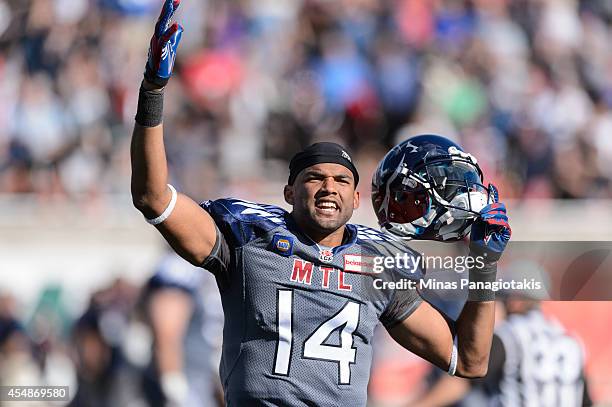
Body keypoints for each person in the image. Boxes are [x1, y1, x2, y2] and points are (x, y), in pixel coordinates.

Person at [130, 1, 511, 405]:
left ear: (357, 198)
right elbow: (152, 197)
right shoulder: (249, 238)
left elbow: (469, 361)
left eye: (342, 181)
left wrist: (483, 263)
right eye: (315, 178)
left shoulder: (377, 263)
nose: (330, 187)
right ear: (290, 193)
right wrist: (153, 91)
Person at [409, 261, 592, 407]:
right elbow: (585, 400)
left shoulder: (509, 335)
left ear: (515, 301)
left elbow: (463, 382)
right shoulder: (571, 341)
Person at [142, 252, 223, 407]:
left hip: (207, 381)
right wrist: (174, 384)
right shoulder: (179, 268)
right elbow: (166, 335)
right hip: (188, 383)